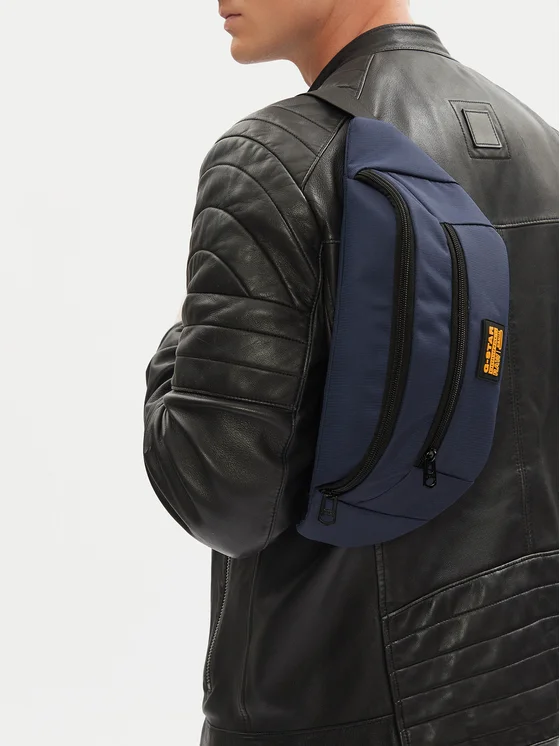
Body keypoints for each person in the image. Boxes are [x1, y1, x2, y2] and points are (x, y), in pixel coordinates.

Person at [142, 1, 559, 744]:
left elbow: (222, 496)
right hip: (526, 687)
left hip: (331, 704)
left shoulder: (275, 159)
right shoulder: (542, 143)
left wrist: (174, 354)